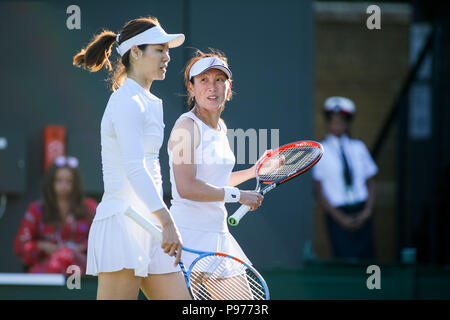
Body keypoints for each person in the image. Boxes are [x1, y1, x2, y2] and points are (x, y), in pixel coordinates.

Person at [72, 16, 190, 300]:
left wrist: (162, 221)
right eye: (159, 50)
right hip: (122, 225)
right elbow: (135, 168)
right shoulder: (126, 100)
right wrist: (168, 222)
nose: (167, 57)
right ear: (136, 52)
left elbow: (149, 169)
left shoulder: (148, 101)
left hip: (152, 227)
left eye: (168, 50)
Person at [167, 49, 264, 298]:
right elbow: (186, 187)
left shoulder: (220, 127)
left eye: (219, 80)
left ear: (228, 88)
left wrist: (255, 171)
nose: (212, 87)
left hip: (218, 238)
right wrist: (238, 196)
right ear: (191, 89)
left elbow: (214, 184)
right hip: (186, 241)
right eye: (204, 80)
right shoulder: (185, 127)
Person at [313, 97, 378, 261]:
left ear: (348, 123)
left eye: (341, 120)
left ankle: (372, 288)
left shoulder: (358, 147)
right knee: (344, 260)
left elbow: (370, 182)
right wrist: (340, 218)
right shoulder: (320, 150)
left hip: (361, 210)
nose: (337, 124)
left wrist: (367, 212)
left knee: (368, 260)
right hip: (338, 214)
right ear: (327, 123)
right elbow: (319, 190)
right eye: (333, 120)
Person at [14, 156, 97, 274]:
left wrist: (80, 248)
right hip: (46, 268)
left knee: (65, 257)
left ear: (76, 184)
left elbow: (103, 239)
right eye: (58, 180)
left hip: (81, 270)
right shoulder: (37, 209)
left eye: (69, 181)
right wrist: (43, 246)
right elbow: (21, 245)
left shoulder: (90, 207)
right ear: (51, 182)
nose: (64, 186)